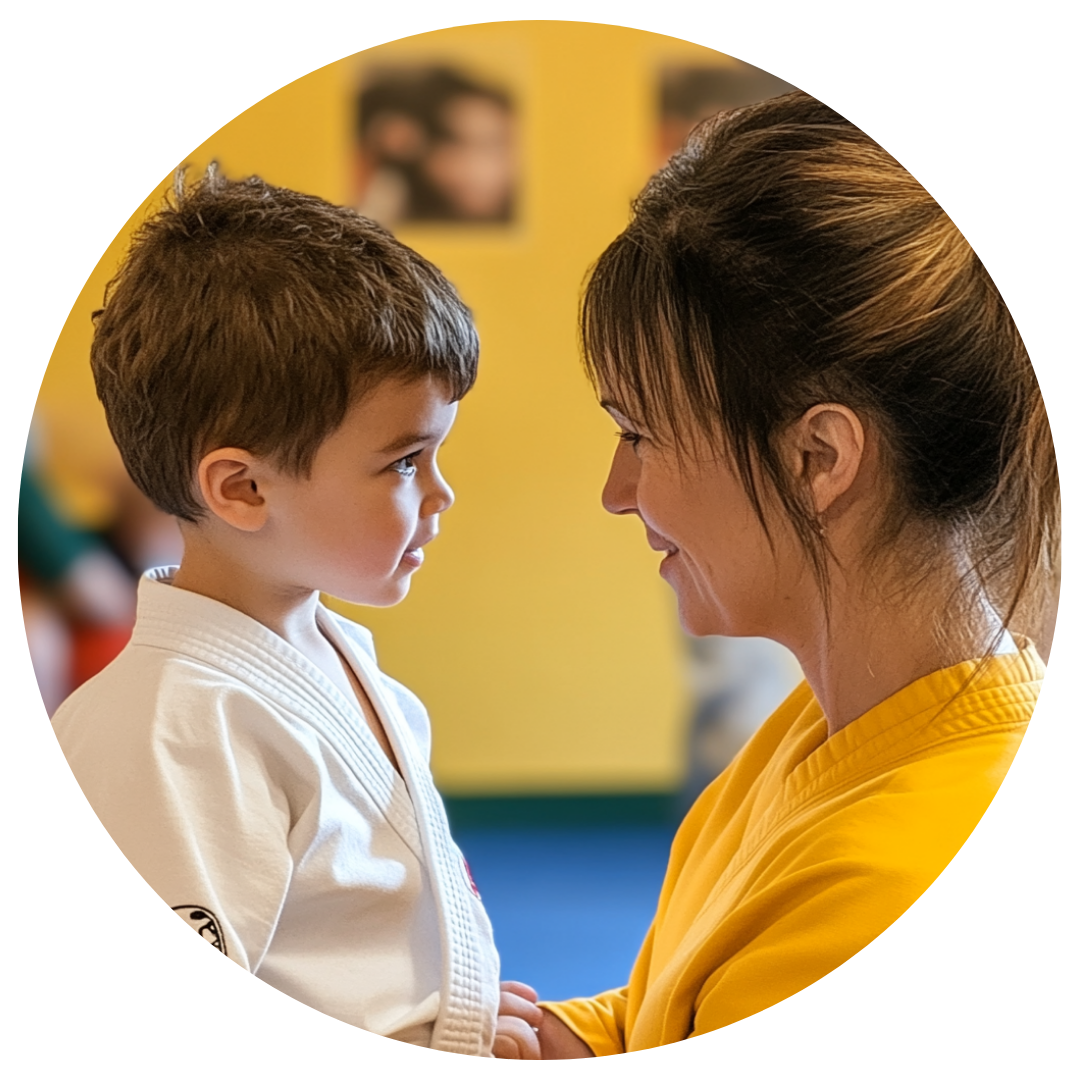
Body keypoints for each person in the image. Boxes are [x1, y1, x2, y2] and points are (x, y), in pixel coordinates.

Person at [493, 90, 1058, 1057]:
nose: (616, 489)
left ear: (817, 461)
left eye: (639, 432)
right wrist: (555, 1039)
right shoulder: (823, 723)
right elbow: (671, 1011)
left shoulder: (889, 885)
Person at [51, 169, 501, 1054]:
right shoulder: (169, 730)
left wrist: (465, 1006)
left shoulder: (339, 659)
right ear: (244, 488)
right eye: (406, 462)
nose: (442, 494)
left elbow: (354, 944)